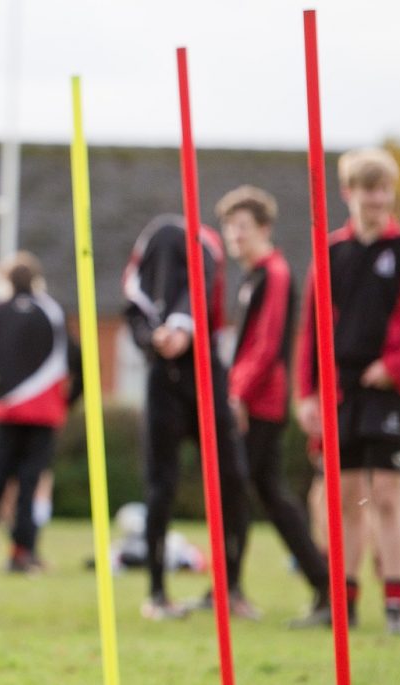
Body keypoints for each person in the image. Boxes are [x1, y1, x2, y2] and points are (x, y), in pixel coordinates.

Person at [295, 148, 400, 634]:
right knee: (343, 496)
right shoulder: (330, 251)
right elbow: (310, 329)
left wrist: (395, 365)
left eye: (383, 189)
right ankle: (344, 602)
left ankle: (395, 606)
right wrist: (307, 392)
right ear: (348, 193)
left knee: (385, 493)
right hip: (340, 389)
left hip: (389, 389)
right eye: (366, 189)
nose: (375, 199)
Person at [122, 213, 253, 620]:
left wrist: (183, 327)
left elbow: (201, 291)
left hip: (206, 374)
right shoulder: (154, 241)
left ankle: (229, 588)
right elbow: (133, 304)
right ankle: (157, 592)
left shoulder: (207, 244)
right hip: (164, 378)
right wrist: (153, 337)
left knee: (233, 480)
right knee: (160, 486)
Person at [216, 185, 332, 627]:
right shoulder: (251, 277)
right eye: (229, 227)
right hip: (252, 399)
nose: (235, 235)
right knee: (267, 492)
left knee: (240, 490)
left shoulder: (275, 273)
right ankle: (321, 584)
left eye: (243, 227)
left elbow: (266, 346)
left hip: (260, 404)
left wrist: (238, 394)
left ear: (264, 229)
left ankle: (232, 590)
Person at [0, 251, 80, 573]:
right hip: (45, 414)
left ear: (5, 281)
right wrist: (67, 403)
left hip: (5, 412)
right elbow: (80, 362)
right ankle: (23, 552)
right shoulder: (53, 312)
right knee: (29, 484)